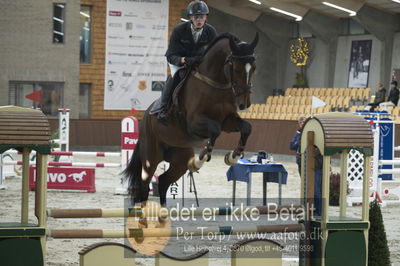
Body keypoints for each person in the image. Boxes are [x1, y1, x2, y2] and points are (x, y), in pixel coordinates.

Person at [157, 0, 217, 124]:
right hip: (180, 60)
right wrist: (183, 60)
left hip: (199, 62)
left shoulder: (211, 31)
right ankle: (163, 110)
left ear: (206, 17)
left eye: (202, 17)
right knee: (173, 78)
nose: (199, 20)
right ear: (190, 17)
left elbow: (214, 53)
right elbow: (171, 54)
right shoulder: (179, 30)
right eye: (196, 17)